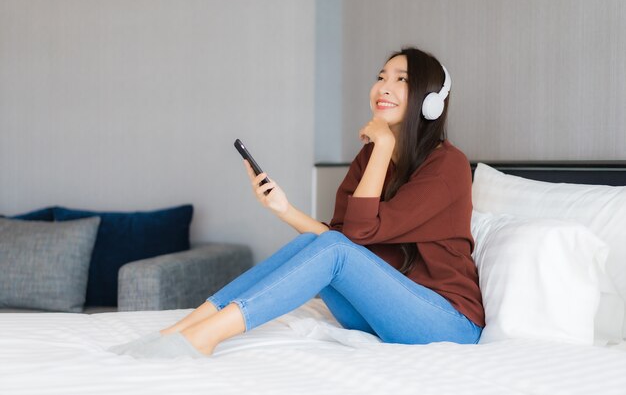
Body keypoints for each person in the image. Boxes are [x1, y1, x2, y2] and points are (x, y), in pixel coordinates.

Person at [108, 47, 485, 359]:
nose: (384, 87)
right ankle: (178, 330)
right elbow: (340, 242)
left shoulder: (447, 165)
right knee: (315, 244)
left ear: (431, 101)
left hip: (447, 321)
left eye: (401, 79)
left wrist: (383, 144)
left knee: (332, 249)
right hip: (385, 313)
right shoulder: (370, 159)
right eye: (382, 76)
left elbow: (355, 235)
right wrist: (284, 209)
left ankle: (204, 338)